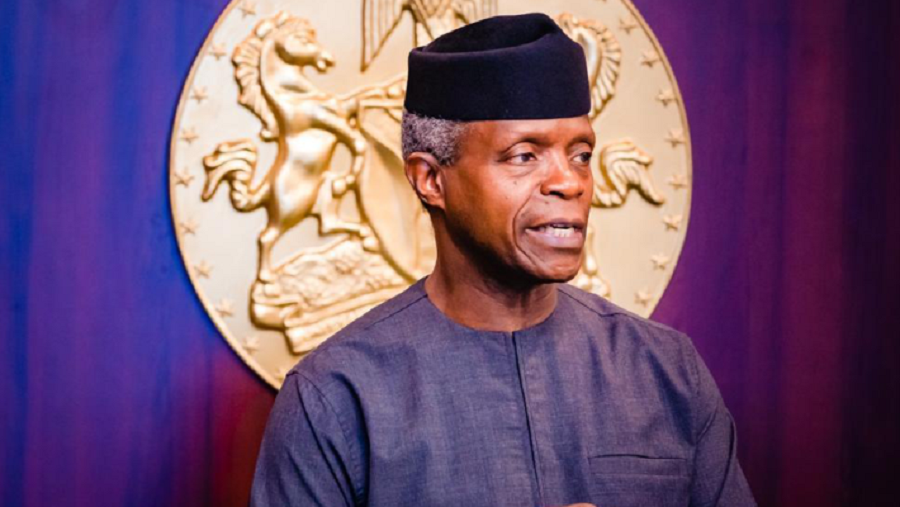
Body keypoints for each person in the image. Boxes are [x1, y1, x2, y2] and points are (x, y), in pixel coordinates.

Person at [250, 13, 756, 507]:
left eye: (581, 154)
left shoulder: (667, 372)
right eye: (524, 155)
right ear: (431, 179)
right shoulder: (336, 399)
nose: (570, 182)